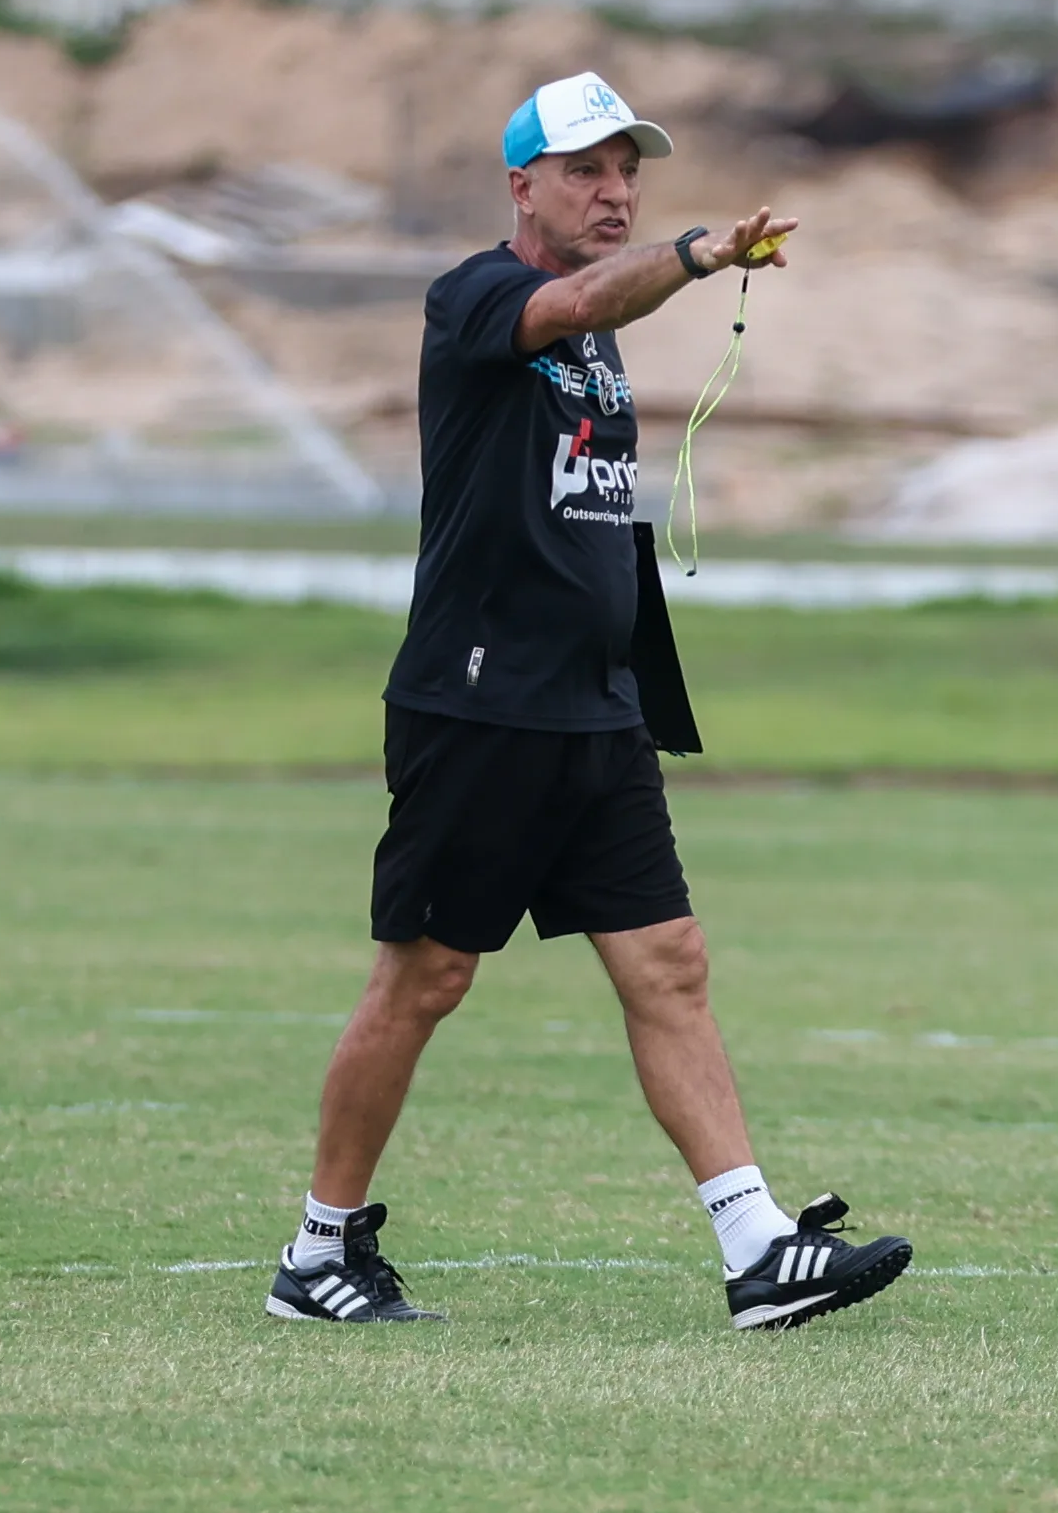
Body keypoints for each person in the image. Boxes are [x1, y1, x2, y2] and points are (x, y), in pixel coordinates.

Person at [264, 72, 913, 1331]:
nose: (614, 193)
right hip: (480, 703)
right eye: (585, 171)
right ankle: (318, 1249)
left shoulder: (597, 332)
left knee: (667, 962)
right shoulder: (480, 298)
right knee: (426, 978)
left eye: (629, 174)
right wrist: (696, 251)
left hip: (592, 708)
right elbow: (572, 299)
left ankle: (756, 1249)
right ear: (522, 185)